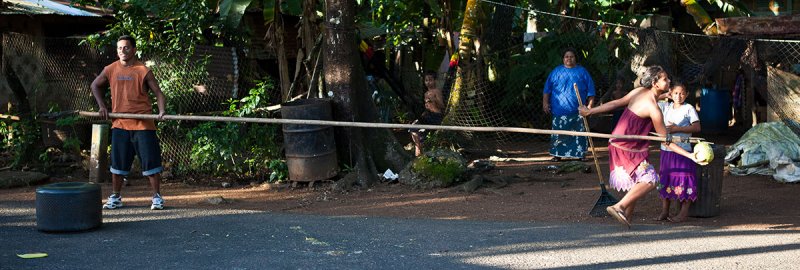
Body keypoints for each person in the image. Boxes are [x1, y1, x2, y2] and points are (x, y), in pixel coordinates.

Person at [578, 66, 702, 228]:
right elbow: (666, 141)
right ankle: (619, 207)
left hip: (619, 142)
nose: (669, 81)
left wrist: (591, 111)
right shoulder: (653, 108)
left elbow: (617, 103)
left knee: (637, 183)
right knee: (650, 180)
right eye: (665, 79)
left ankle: (626, 221)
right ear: (655, 83)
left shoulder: (639, 92)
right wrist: (689, 156)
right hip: (628, 147)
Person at [91, 35, 167, 210]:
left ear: (134, 50)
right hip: (120, 124)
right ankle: (116, 197)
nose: (122, 51)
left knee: (151, 163)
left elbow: (158, 93)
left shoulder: (143, 70)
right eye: (119, 48)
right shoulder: (111, 69)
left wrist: (161, 111)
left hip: (143, 124)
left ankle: (156, 197)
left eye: (126, 48)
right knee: (117, 165)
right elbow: (95, 85)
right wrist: (102, 106)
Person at [656, 83, 701, 223]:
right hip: (666, 150)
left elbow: (697, 127)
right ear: (671, 93)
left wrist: (675, 129)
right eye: (675, 93)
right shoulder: (665, 107)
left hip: (683, 151)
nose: (678, 96)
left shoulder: (689, 109)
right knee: (666, 179)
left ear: (687, 94)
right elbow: (651, 99)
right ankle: (665, 211)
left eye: (682, 93)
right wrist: (664, 95)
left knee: (684, 179)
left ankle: (683, 213)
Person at [543, 48, 596, 162]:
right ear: (563, 59)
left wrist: (590, 106)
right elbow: (547, 89)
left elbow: (591, 90)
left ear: (575, 58)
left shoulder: (582, 72)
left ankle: (579, 154)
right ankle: (557, 154)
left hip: (578, 110)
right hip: (558, 110)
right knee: (559, 132)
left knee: (579, 133)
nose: (569, 59)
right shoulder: (556, 72)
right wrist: (545, 103)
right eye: (566, 56)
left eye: (571, 56)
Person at [410, 72, 445, 156]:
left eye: (430, 80)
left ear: (435, 81)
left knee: (420, 132)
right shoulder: (426, 93)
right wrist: (425, 111)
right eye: (426, 80)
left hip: (436, 117)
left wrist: (434, 100)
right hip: (428, 116)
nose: (428, 82)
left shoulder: (437, 91)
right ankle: (418, 148)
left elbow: (442, 105)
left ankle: (420, 151)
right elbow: (427, 107)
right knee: (412, 128)